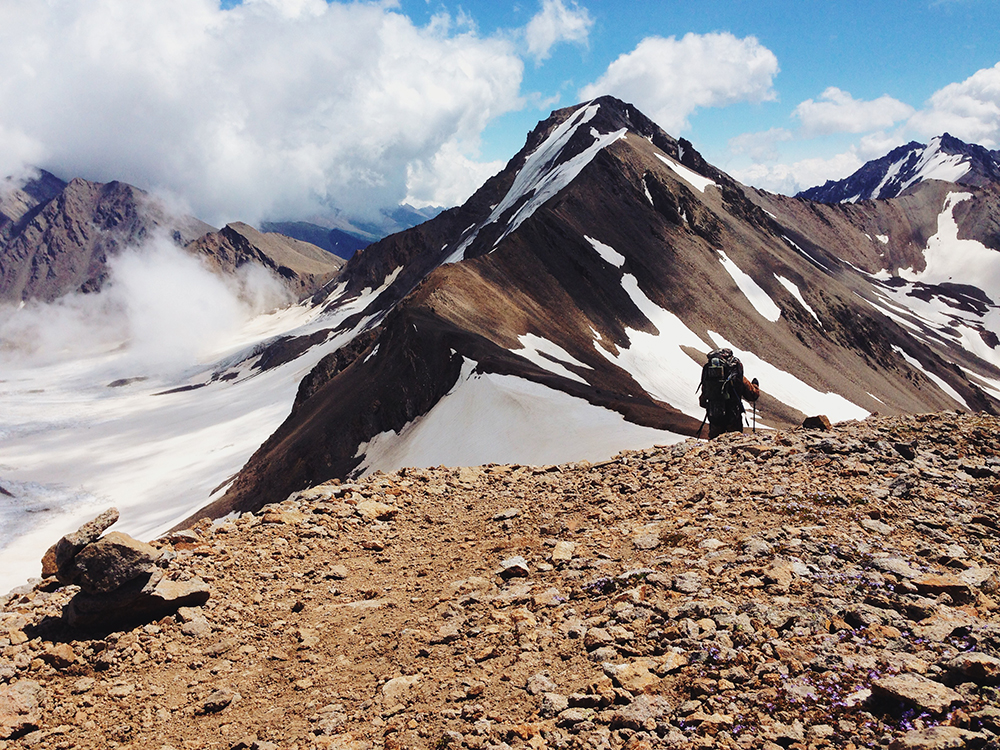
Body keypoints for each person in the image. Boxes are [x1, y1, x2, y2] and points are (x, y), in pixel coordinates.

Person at [698, 348, 760, 438]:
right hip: (733, 415)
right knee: (735, 441)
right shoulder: (737, 376)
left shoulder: (710, 378)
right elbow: (753, 395)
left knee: (715, 443)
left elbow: (703, 402)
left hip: (715, 415)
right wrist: (755, 385)